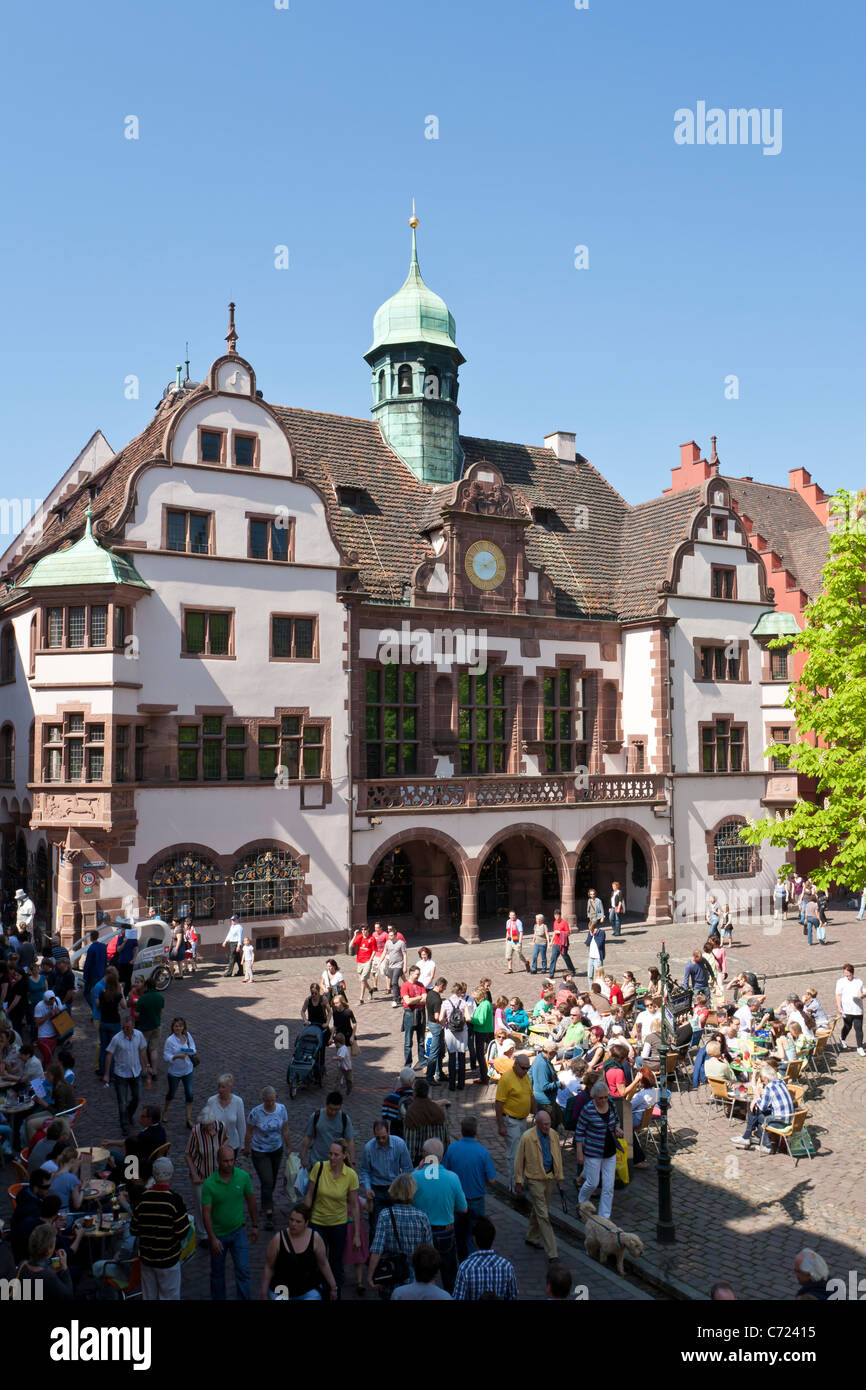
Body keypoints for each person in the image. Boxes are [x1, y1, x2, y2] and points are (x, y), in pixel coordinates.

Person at [303, 1137, 361, 1296]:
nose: (332, 1158)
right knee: (316, 1261)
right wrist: (304, 1220)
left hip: (338, 1224)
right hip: (317, 1222)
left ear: (344, 1156)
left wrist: (356, 1234)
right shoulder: (319, 1168)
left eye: (336, 1155)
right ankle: (315, 1294)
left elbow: (354, 1205)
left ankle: (335, 1293)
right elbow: (309, 1195)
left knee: (336, 1264)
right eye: (330, 1154)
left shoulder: (350, 1175)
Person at [202, 1144, 258, 1301]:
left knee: (243, 1270)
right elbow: (205, 1213)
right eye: (225, 1161)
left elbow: (251, 1201)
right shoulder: (209, 1184)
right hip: (218, 1235)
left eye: (232, 1160)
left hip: (238, 1231)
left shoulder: (243, 1177)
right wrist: (212, 1238)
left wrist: (255, 1225)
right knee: (217, 1273)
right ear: (218, 1161)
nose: (229, 1164)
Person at [410, 1137, 466, 1292]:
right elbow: (463, 1207)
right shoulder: (452, 1177)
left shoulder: (415, 1177)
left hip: (421, 1231)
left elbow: (402, 1193)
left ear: (425, 1155)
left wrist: (416, 1170)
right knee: (449, 1274)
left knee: (420, 1272)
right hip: (445, 1232)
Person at [129, 1156, 189, 1300]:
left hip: (147, 1258)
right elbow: (182, 1232)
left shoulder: (142, 1199)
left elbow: (134, 1230)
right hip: (168, 1259)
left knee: (149, 1296)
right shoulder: (174, 1200)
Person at [367, 1172, 432, 1297]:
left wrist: (370, 1276)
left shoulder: (385, 1215)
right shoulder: (422, 1217)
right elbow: (428, 1252)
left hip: (390, 1276)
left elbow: (377, 1249)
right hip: (414, 1279)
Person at [514, 1109, 566, 1261]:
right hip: (535, 1179)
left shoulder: (554, 1135)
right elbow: (519, 1160)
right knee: (544, 1214)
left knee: (539, 1209)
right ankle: (553, 1252)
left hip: (549, 1177)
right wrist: (518, 1180)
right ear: (537, 1123)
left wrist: (560, 1178)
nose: (547, 1127)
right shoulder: (527, 1137)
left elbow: (558, 1158)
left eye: (549, 1124)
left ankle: (531, 1236)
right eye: (544, 1124)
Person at [443, 1116, 496, 1260]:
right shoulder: (483, 1152)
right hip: (476, 1200)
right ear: (476, 1131)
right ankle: (475, 1262)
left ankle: (462, 1262)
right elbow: (492, 1179)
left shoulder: (452, 1148)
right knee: (475, 1236)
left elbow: (444, 1172)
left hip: (457, 1201)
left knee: (459, 1235)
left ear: (461, 1131)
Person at [260, 1202, 337, 1301]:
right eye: (291, 1220)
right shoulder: (278, 1239)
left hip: (308, 1291)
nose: (293, 1224)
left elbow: (323, 1264)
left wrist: (333, 1287)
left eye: (298, 1221)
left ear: (306, 1223)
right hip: (281, 1290)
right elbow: (269, 1266)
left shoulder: (315, 1238)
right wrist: (263, 1292)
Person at [243, 1085, 290, 1230]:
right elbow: (249, 1131)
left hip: (276, 1149)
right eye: (267, 1101)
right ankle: (269, 1213)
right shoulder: (255, 1113)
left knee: (271, 1180)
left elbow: (285, 1129)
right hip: (260, 1151)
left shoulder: (281, 1109)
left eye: (272, 1100)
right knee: (267, 1180)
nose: (270, 1103)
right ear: (263, 1099)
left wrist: (289, 1147)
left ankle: (265, 1201)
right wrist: (246, 1147)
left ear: (275, 1097)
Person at [575, 1080, 622, 1219]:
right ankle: (581, 1203)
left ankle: (603, 1217)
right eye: (600, 1098)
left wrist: (617, 1128)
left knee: (608, 1187)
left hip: (610, 1151)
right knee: (592, 1182)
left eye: (606, 1097)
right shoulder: (588, 1109)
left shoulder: (612, 1105)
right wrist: (579, 1153)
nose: (604, 1100)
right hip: (593, 1152)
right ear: (593, 1097)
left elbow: (616, 1121)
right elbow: (579, 1131)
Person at [359, 1119, 413, 1234]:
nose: (381, 1140)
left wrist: (404, 1190)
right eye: (378, 1138)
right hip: (377, 1189)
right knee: (376, 1227)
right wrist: (367, 1188)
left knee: (398, 1225)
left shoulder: (399, 1144)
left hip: (395, 1188)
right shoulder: (369, 1148)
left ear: (389, 1132)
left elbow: (407, 1168)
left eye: (383, 1137)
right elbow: (365, 1171)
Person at [185, 1107, 229, 1238]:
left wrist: (223, 1148)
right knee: (201, 1205)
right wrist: (194, 1174)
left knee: (218, 1203)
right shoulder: (196, 1131)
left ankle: (217, 1229)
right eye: (206, 1125)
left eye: (210, 1125)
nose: (209, 1128)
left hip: (217, 1174)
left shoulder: (221, 1126)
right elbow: (188, 1154)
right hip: (201, 1174)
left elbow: (226, 1139)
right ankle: (203, 1233)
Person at [104, 1014, 151, 1135]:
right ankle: (124, 1124)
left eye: (128, 1028)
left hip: (136, 1072)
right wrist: (106, 1074)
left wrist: (146, 1066)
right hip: (120, 1074)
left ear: (133, 1026)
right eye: (124, 1028)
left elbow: (142, 1051)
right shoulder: (117, 1038)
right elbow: (109, 1055)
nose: (126, 1030)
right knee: (122, 1101)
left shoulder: (139, 1035)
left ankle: (128, 1114)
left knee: (137, 1097)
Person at [731, 1063, 795, 1151]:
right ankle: (753, 1138)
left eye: (762, 1079)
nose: (762, 1081)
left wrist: (757, 1096)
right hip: (789, 1119)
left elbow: (762, 1107)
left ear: (766, 1079)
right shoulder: (781, 1082)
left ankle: (756, 1141)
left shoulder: (769, 1087)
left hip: (780, 1121)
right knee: (757, 1112)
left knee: (757, 1114)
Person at [495, 1052, 536, 1189]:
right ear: (515, 1065)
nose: (525, 1071)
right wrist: (501, 1125)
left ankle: (520, 1180)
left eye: (528, 1068)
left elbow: (531, 1096)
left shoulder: (526, 1077)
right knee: (514, 1154)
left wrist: (537, 1112)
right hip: (510, 1120)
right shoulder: (506, 1079)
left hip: (523, 1120)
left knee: (522, 1151)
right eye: (523, 1068)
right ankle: (514, 1185)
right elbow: (499, 1103)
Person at [453, 1216, 518, 1301]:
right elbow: (513, 1297)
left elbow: (458, 1298)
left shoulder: (465, 1268)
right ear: (492, 1238)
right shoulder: (507, 1267)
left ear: (474, 1239)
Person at [403, 1078, 449, 1165]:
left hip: (421, 1160)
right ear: (427, 1092)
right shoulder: (438, 1110)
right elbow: (446, 1139)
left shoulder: (412, 1112)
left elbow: (410, 1145)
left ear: (415, 1092)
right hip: (437, 1158)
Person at [10, 1167, 53, 1261]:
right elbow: (41, 1239)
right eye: (46, 1187)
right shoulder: (33, 1210)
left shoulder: (25, 1194)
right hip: (30, 1255)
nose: (49, 1189)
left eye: (50, 1186)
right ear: (35, 1188)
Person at [163, 1017, 197, 1128]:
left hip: (187, 1069)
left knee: (190, 1093)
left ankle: (188, 1119)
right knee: (172, 1093)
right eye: (176, 1026)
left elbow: (193, 1049)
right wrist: (176, 1056)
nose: (178, 1028)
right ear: (173, 1027)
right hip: (175, 1072)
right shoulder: (170, 1040)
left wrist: (185, 1051)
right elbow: (166, 1056)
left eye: (180, 1026)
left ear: (183, 1027)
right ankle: (166, 1111)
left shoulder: (187, 1036)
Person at [94, 967, 126, 1075]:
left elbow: (98, 1004)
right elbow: (124, 1006)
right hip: (114, 1023)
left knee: (104, 1048)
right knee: (113, 1049)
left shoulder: (102, 994)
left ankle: (103, 1071)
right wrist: (121, 992)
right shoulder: (117, 995)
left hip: (103, 1022)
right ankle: (111, 1072)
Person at [442, 981, 473, 1091]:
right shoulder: (463, 1003)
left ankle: (451, 1084)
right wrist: (463, 1020)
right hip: (462, 1031)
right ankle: (461, 1084)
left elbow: (441, 1018)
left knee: (451, 1056)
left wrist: (445, 1022)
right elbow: (468, 1018)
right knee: (461, 1056)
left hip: (450, 1031)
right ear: (459, 991)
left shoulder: (445, 1003)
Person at [207, 1073, 246, 1155]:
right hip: (215, 1145)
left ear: (230, 1088)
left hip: (232, 1145)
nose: (220, 1090)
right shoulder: (211, 1101)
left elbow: (241, 1125)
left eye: (223, 1087)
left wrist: (243, 1145)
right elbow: (206, 1123)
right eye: (219, 1087)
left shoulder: (238, 1102)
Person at [400, 965, 427, 1067]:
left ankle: (422, 1062)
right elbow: (407, 1001)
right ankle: (408, 1064)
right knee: (408, 1041)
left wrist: (415, 999)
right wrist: (419, 997)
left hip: (420, 1012)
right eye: (417, 974)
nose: (418, 976)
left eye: (419, 974)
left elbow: (425, 999)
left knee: (421, 1040)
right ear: (411, 974)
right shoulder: (405, 986)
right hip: (410, 1013)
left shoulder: (421, 984)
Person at [835, 964, 865, 1054]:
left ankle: (860, 1047)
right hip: (846, 1009)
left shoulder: (858, 982)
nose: (846, 976)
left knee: (858, 1028)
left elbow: (864, 992)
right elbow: (838, 995)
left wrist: (861, 996)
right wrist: (839, 1006)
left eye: (848, 974)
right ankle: (843, 1039)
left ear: (852, 973)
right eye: (845, 974)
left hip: (857, 1009)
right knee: (847, 1026)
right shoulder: (840, 982)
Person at [381, 1066, 416, 1139]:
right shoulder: (417, 1099)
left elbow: (384, 1119)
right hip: (413, 1135)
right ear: (412, 1081)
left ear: (400, 1079)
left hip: (395, 1134)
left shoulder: (389, 1099)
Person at [424, 975, 447, 1086]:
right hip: (436, 1026)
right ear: (441, 986)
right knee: (434, 1052)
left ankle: (439, 1073)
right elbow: (437, 1016)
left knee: (439, 1050)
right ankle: (430, 1077)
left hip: (430, 1023)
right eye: (444, 987)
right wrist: (444, 1021)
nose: (444, 990)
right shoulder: (437, 999)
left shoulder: (429, 994)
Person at [469, 985, 494, 1083]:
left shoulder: (484, 1004)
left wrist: (470, 1019)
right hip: (486, 1030)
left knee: (480, 1055)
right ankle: (486, 1074)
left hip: (482, 1031)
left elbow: (481, 1021)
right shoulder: (486, 1003)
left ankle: (484, 1076)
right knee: (486, 1054)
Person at [81, 930, 107, 1016]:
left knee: (87, 992)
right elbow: (105, 960)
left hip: (93, 974)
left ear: (91, 937)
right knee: (100, 992)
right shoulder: (103, 946)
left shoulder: (91, 948)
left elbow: (88, 963)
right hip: (101, 973)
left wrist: (85, 975)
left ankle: (95, 1008)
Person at [349, 924, 377, 1004]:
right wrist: (354, 936)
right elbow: (351, 946)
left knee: (362, 979)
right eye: (362, 930)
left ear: (368, 930)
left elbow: (374, 950)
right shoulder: (360, 937)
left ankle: (361, 999)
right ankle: (370, 990)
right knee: (362, 980)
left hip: (367, 962)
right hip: (359, 961)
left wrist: (370, 960)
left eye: (365, 929)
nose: (363, 931)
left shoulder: (372, 939)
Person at [530, 1042, 561, 1114]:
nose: (555, 1056)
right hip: (544, 1103)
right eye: (555, 1054)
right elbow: (544, 1086)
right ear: (550, 1052)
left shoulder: (540, 1057)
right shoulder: (542, 1064)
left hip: (542, 1100)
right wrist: (559, 1084)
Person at [33, 989, 61, 1066]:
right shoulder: (39, 1006)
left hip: (54, 1034)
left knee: (50, 1057)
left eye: (53, 1000)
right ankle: (43, 1072)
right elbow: (37, 1023)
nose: (52, 1003)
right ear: (45, 1000)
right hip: (43, 1036)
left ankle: (46, 1073)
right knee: (47, 1057)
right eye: (50, 1002)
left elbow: (61, 1015)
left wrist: (57, 1013)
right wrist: (48, 1015)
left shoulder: (56, 1001)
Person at [383, 926, 408, 1008]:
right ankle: (401, 994)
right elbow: (384, 952)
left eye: (391, 935)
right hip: (391, 965)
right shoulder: (387, 943)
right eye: (389, 936)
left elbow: (404, 955)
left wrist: (404, 966)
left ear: (395, 935)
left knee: (394, 982)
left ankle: (395, 1000)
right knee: (394, 983)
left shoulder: (401, 943)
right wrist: (379, 962)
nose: (390, 937)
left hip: (399, 965)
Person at [549, 909, 576, 975]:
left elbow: (568, 933)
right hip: (556, 944)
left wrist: (560, 932)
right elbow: (554, 933)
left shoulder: (564, 923)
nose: (556, 917)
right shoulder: (555, 922)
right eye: (555, 915)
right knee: (553, 958)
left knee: (565, 957)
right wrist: (551, 942)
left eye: (557, 915)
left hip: (563, 944)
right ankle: (551, 974)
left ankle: (572, 970)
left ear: (560, 915)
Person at [585, 920, 606, 985]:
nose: (590, 931)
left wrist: (595, 935)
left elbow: (599, 944)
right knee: (590, 975)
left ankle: (598, 990)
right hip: (591, 957)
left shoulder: (601, 933)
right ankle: (591, 990)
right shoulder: (590, 932)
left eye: (591, 929)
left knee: (598, 976)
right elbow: (587, 943)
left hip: (598, 958)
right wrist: (591, 936)